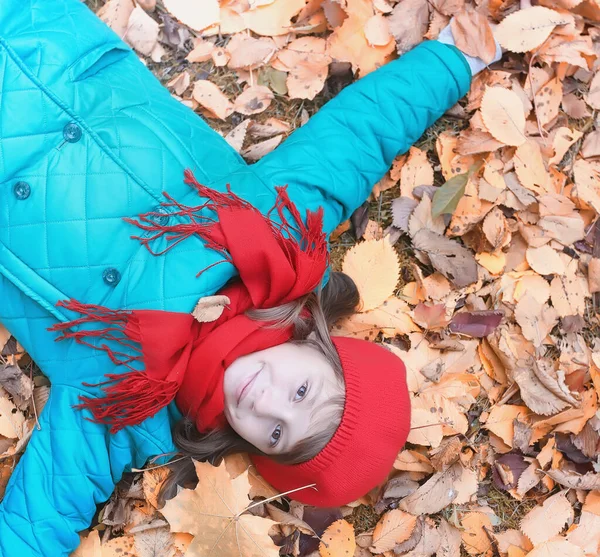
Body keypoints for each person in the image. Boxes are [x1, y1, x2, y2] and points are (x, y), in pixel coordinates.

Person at [0, 0, 506, 554]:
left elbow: (37, 518)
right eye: (303, 390)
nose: (266, 402)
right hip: (42, 47)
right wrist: (455, 60)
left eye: (277, 433)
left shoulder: (126, 413)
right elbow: (359, 137)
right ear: (321, 346)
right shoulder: (279, 236)